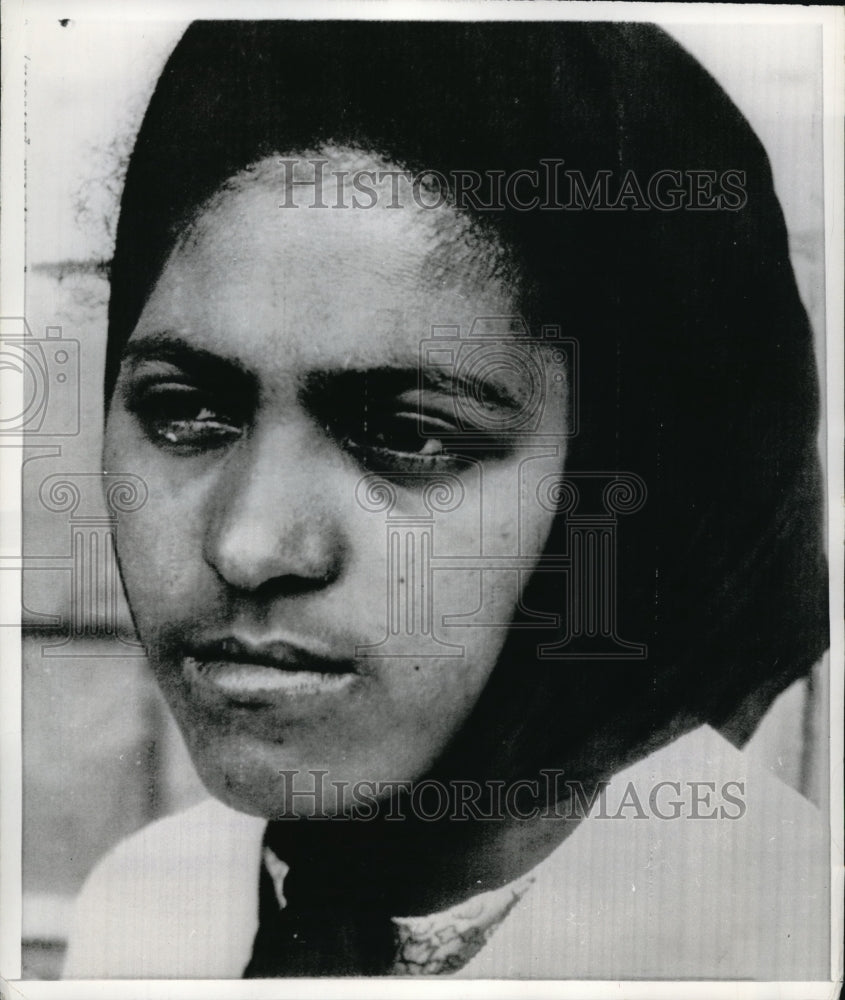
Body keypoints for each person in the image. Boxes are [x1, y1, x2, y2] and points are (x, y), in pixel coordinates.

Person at [63, 20, 829, 979]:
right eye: (185, 410)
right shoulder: (149, 911)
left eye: (410, 436)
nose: (250, 545)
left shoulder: (783, 943)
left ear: (627, 494)